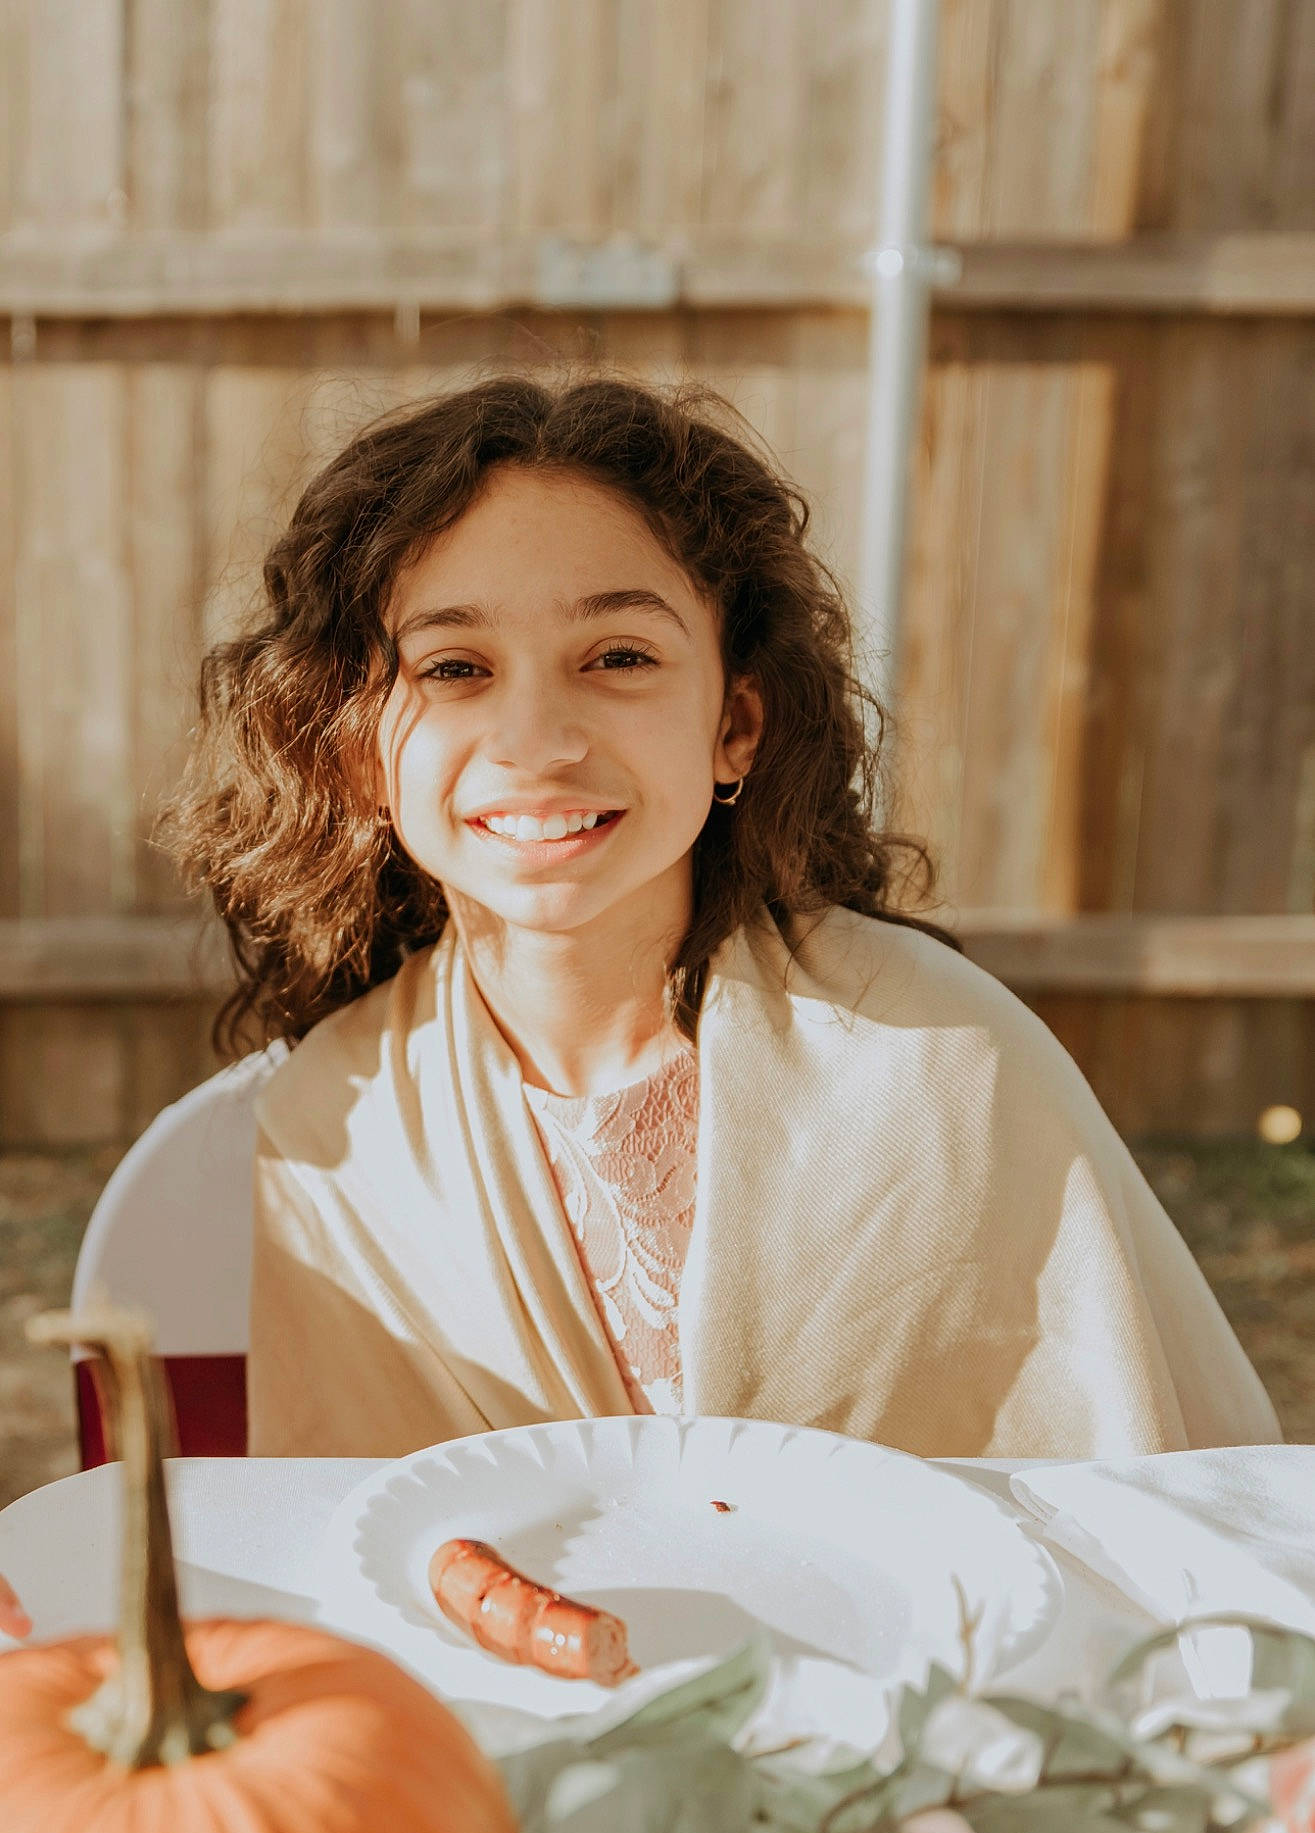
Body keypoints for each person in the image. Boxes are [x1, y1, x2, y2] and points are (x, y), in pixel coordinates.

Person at [161, 368, 1281, 1461]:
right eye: (455, 667)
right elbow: (330, 1570)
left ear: (734, 725)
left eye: (619, 656)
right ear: (354, 751)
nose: (538, 739)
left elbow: (1150, 1517)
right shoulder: (323, 1135)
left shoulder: (946, 1067)